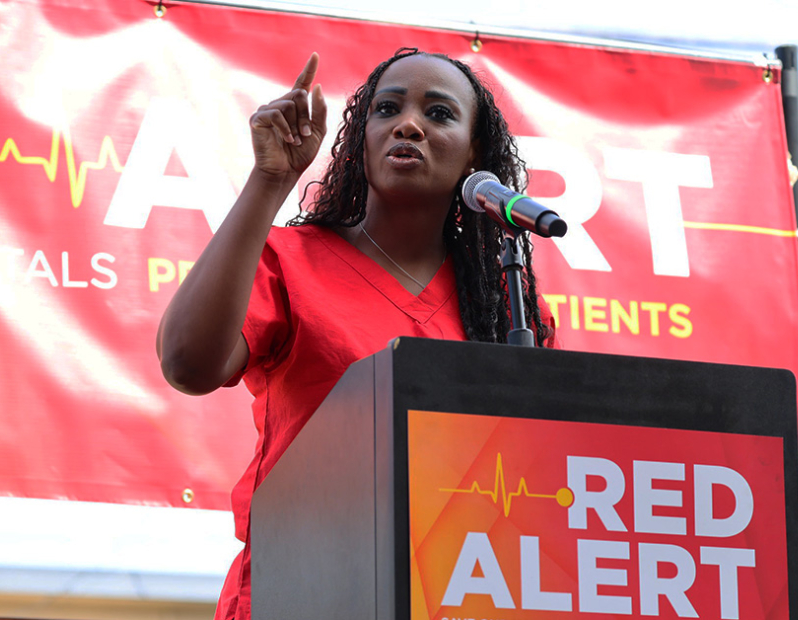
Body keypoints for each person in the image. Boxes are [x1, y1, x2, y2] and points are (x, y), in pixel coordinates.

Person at [156, 47, 557, 620]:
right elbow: (187, 364)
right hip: (303, 591)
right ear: (362, 136)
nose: (407, 124)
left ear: (476, 155)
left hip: (457, 595)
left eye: (439, 113)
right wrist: (271, 180)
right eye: (386, 108)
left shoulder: (505, 305)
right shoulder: (290, 260)